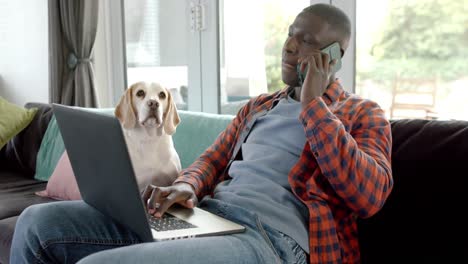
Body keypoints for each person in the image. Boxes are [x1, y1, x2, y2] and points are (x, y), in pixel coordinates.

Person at [10, 3, 393, 264]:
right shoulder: (259, 106)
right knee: (36, 224)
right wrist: (188, 187)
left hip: (272, 240)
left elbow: (369, 196)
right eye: (291, 35)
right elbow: (211, 160)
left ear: (335, 56)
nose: (290, 45)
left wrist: (314, 106)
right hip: (207, 215)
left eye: (306, 40)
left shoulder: (362, 113)